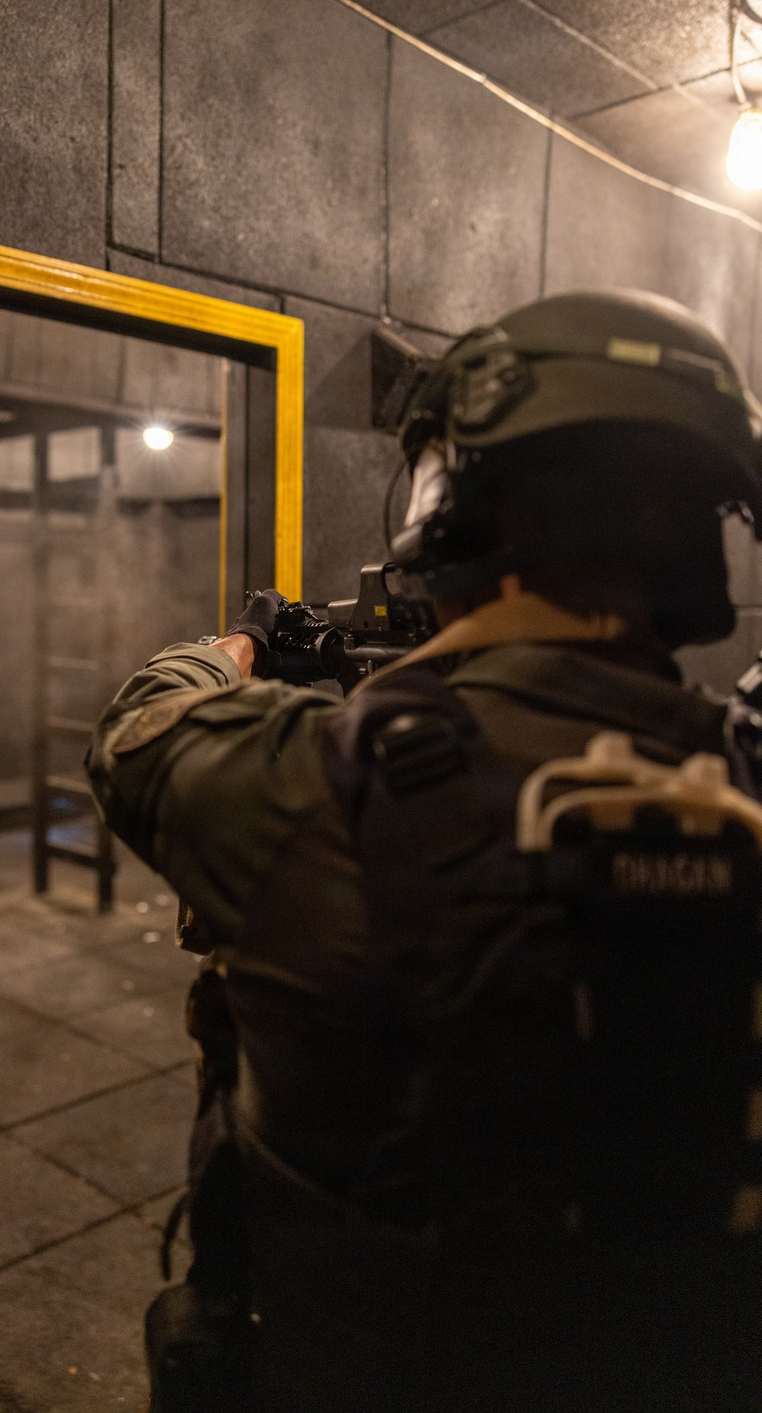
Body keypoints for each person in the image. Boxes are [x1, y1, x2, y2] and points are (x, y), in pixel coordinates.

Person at [87, 290, 762, 1413]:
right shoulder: (744, 775)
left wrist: (245, 640)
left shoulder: (320, 782)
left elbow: (137, 725)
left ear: (456, 499)